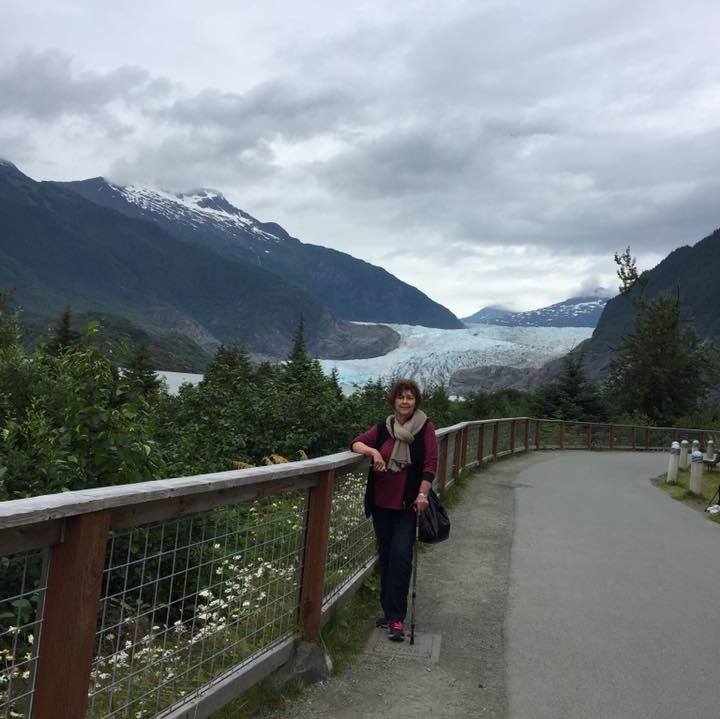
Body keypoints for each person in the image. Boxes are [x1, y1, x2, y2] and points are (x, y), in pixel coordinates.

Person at [351, 378, 438, 641]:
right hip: (381, 504)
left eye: (410, 397)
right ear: (394, 401)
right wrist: (373, 453)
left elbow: (430, 464)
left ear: (416, 402)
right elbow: (355, 443)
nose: (405, 401)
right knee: (387, 558)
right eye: (401, 397)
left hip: (408, 504)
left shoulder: (425, 429)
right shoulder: (383, 429)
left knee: (401, 557)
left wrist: (423, 492)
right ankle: (389, 612)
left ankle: (397, 618)